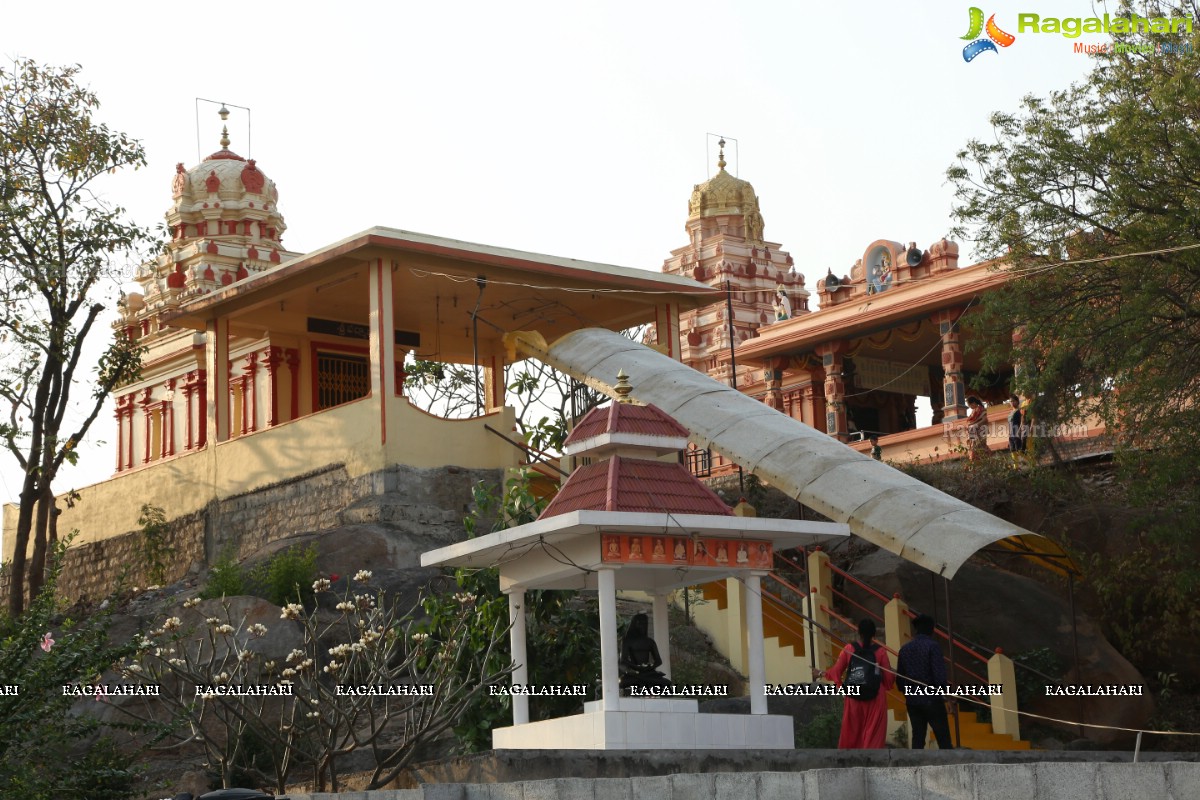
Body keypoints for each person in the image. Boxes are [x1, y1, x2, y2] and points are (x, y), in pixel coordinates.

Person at [823, 619, 894, 749]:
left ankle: (850, 764)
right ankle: (871, 765)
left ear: (858, 632)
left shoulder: (849, 649)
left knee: (852, 733)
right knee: (873, 737)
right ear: (874, 634)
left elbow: (836, 672)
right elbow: (888, 681)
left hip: (853, 697)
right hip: (876, 699)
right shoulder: (881, 652)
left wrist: (826, 676)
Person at [896, 613, 954, 750]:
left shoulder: (904, 650)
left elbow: (899, 680)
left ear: (916, 629)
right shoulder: (933, 646)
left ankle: (915, 769)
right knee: (943, 739)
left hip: (913, 702)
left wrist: (910, 693)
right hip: (932, 700)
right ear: (930, 629)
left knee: (918, 739)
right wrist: (948, 699)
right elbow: (939, 676)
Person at [619, 613, 670, 690]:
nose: (642, 626)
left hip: (648, 673)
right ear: (634, 624)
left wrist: (649, 667)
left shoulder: (650, 642)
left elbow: (658, 661)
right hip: (634, 673)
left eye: (644, 624)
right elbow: (623, 660)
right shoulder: (627, 641)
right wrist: (636, 667)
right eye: (640, 624)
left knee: (666, 683)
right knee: (623, 682)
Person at [965, 396, 987, 460]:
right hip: (973, 432)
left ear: (973, 403)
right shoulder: (973, 411)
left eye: (969, 405)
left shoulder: (981, 409)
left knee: (980, 447)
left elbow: (984, 419)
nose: (969, 407)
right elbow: (971, 421)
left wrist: (975, 425)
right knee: (973, 448)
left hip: (980, 431)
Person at [1007, 394, 1026, 465]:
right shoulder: (1010, 413)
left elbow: (1022, 421)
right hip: (1011, 435)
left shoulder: (1019, 411)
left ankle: (1032, 462)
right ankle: (1016, 467)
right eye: (1010, 401)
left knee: (1019, 451)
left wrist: (1019, 431)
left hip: (1017, 434)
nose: (1012, 403)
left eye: (1013, 401)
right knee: (1013, 451)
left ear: (1017, 401)